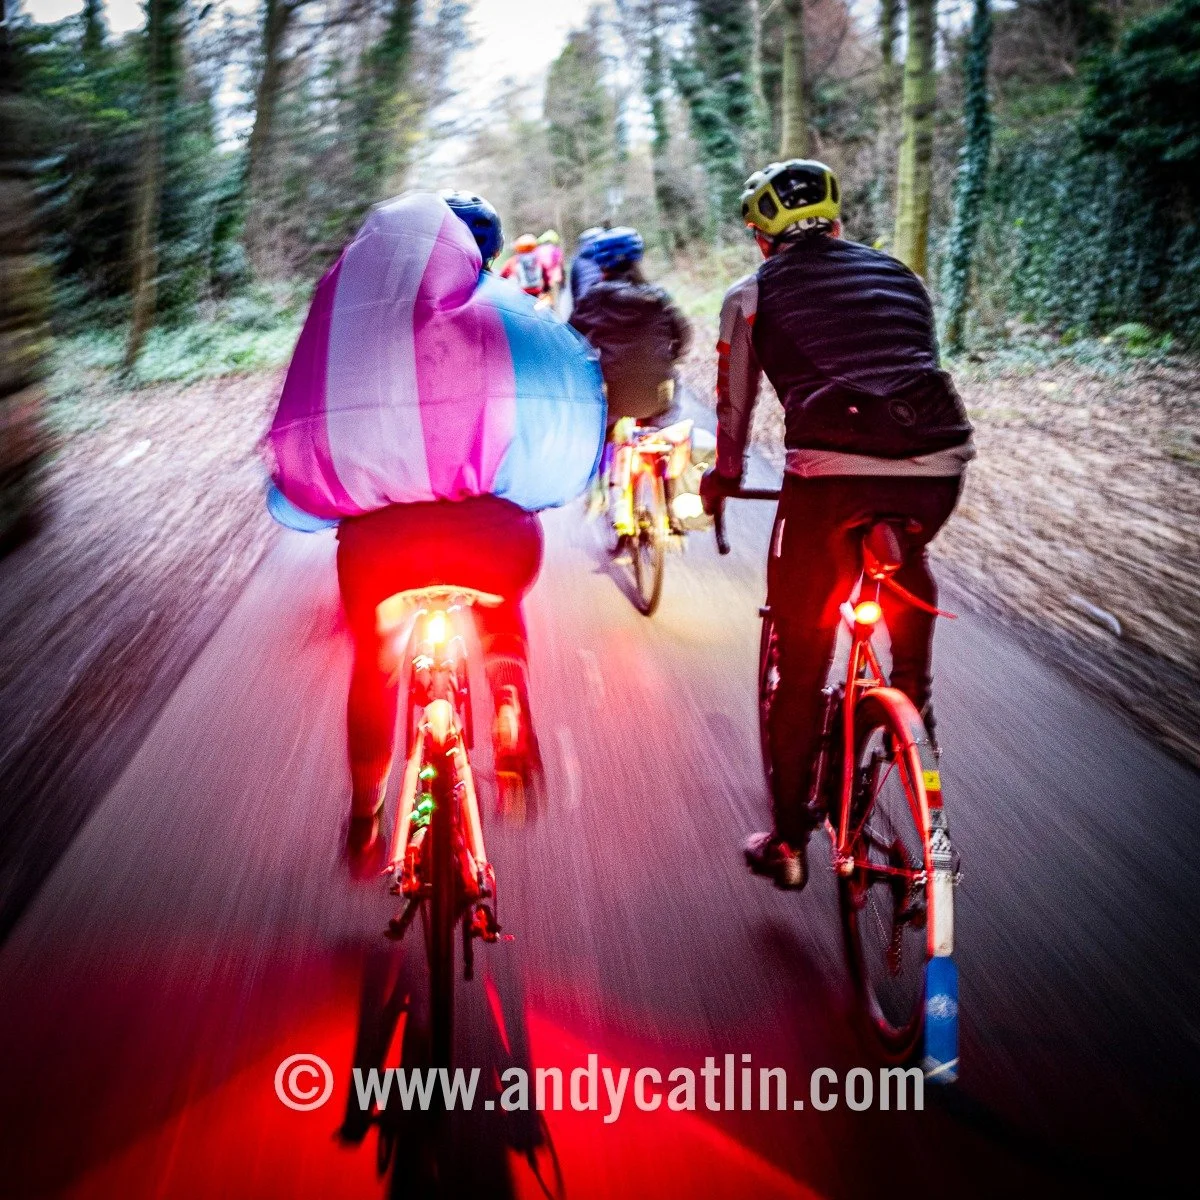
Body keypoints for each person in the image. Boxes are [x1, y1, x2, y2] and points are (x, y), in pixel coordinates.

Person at [264, 191, 605, 867]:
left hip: (381, 555)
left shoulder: (349, 329)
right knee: (500, 603)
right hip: (493, 546)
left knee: (376, 664)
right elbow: (573, 396)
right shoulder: (512, 313)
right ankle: (508, 708)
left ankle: (365, 816)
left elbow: (301, 432)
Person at [700, 160, 975, 890]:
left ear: (762, 238)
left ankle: (788, 843)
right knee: (904, 552)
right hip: (937, 461)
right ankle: (911, 699)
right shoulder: (900, 275)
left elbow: (734, 402)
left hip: (829, 475)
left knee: (803, 659)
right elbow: (910, 361)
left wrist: (724, 476)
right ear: (838, 220)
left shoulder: (751, 293)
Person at [568, 226, 692, 532]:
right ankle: (671, 506)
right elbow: (684, 335)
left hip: (614, 393)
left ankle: (598, 489)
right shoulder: (658, 296)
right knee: (662, 437)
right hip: (658, 392)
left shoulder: (595, 298)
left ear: (601, 262)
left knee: (600, 433)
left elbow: (571, 338)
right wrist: (670, 359)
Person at [568, 227, 604, 307]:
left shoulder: (577, 260)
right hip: (604, 298)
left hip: (584, 300)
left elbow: (574, 286)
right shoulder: (606, 255)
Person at [536, 230, 564, 306]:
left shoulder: (537, 250)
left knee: (542, 300)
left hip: (542, 280)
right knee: (553, 301)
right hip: (554, 279)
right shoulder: (556, 250)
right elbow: (559, 264)